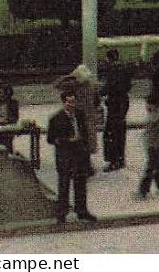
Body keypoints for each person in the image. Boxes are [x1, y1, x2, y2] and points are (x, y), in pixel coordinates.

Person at [47, 91, 98, 223]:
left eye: (73, 101)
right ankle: (62, 213)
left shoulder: (80, 115)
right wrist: (67, 140)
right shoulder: (56, 119)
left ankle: (82, 210)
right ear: (64, 103)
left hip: (80, 154)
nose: (71, 104)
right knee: (64, 185)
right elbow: (51, 139)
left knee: (80, 184)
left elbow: (85, 134)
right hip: (65, 156)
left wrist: (85, 150)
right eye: (68, 102)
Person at [100, 48, 134, 171]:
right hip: (123, 103)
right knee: (120, 132)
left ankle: (113, 161)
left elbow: (109, 87)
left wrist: (99, 93)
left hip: (115, 105)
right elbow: (128, 85)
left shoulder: (113, 70)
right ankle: (120, 159)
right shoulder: (124, 69)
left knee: (112, 133)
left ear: (109, 58)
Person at [135, 94, 159, 199]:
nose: (147, 106)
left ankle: (143, 190)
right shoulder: (154, 115)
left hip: (154, 146)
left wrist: (157, 144)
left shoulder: (158, 116)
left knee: (150, 169)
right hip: (152, 145)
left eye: (149, 104)